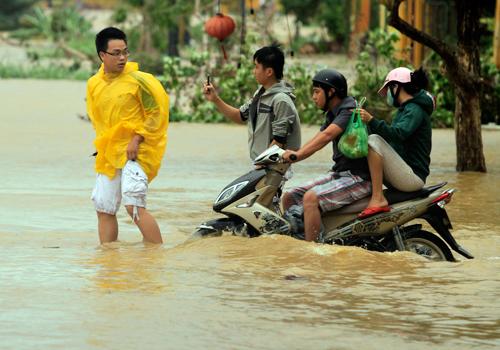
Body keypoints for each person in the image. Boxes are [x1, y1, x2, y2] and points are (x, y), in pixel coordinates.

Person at [86, 27, 169, 244]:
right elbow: (98, 117)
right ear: (102, 55)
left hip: (137, 151)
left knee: (134, 207)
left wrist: (137, 138)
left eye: (125, 52)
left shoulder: (140, 81)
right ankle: (110, 260)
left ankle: (155, 257)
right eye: (116, 53)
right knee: (103, 207)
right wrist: (103, 145)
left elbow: (156, 114)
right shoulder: (94, 84)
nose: (122, 57)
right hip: (109, 153)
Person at [282, 69, 371, 242]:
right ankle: (298, 241)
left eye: (316, 92)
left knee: (310, 198)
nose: (313, 97)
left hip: (359, 178)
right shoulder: (333, 112)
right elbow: (317, 138)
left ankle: (313, 251)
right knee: (290, 197)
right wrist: (294, 154)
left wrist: (297, 156)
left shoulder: (349, 110)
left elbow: (326, 136)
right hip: (340, 173)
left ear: (331, 92)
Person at [356, 67, 434, 219]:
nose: (389, 95)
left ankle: (378, 198)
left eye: (389, 89)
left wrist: (372, 120)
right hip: (404, 173)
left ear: (396, 87)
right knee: (366, 145)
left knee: (373, 141)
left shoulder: (414, 109)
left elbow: (398, 134)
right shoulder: (405, 110)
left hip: (413, 177)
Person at [203, 45, 301, 160]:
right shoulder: (260, 94)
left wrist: (262, 163)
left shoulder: (281, 100)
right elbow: (240, 116)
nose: (254, 71)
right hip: (263, 163)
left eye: (256, 67)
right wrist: (215, 99)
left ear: (269, 72)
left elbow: (279, 141)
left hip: (274, 165)